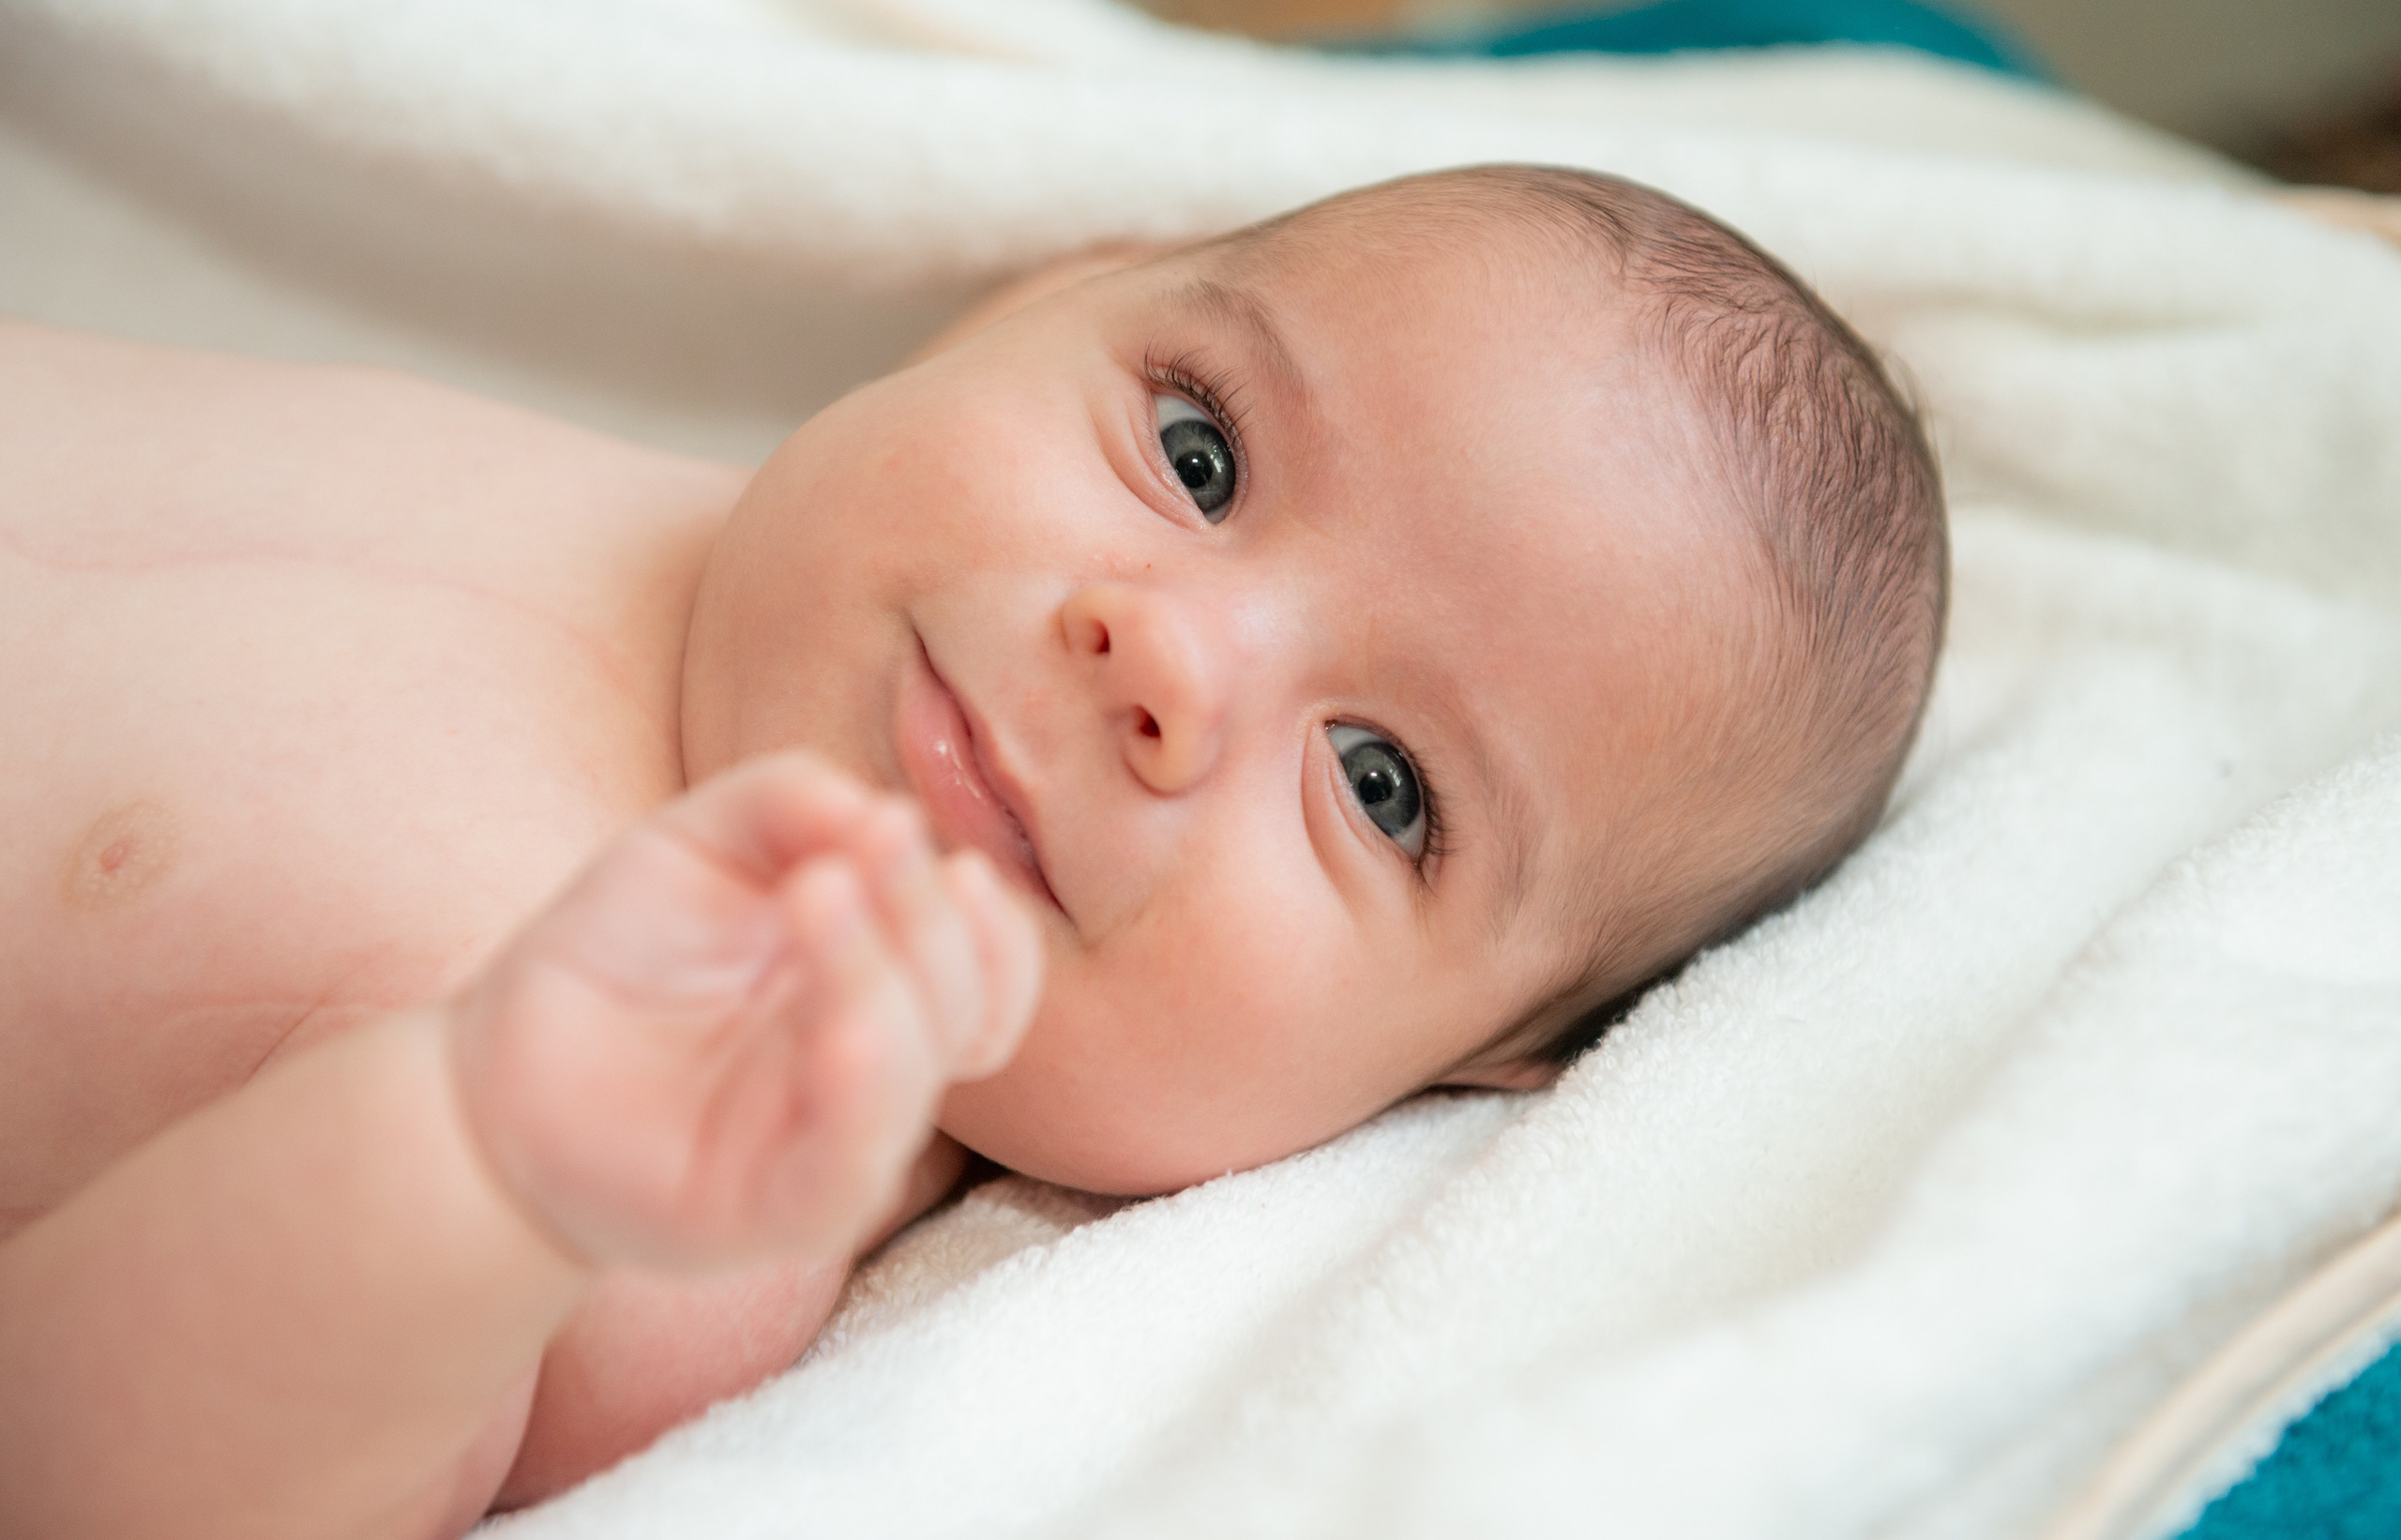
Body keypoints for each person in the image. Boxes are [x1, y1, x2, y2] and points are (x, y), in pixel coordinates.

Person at [0, 163, 1954, 1538]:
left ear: (1454, 1068)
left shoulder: (677, 1192)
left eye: (1379, 785)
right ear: (1034, 305)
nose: (1168, 659)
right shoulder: (701, 505)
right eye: (1197, 455)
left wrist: (479, 1157)